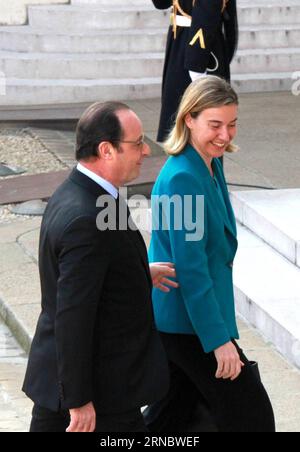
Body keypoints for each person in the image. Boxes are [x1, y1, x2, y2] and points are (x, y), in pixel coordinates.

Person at [22, 101, 179, 433]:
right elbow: (73, 313)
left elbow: (86, 276)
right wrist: (78, 401)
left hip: (99, 389)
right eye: (137, 143)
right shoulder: (87, 217)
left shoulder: (79, 192)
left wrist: (135, 275)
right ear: (107, 150)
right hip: (93, 398)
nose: (147, 151)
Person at [144, 76, 276, 432]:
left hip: (188, 318)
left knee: (169, 418)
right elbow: (192, 270)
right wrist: (218, 340)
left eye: (232, 125)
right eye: (215, 125)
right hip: (187, 322)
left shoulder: (210, 162)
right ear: (189, 119)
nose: (225, 135)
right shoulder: (183, 178)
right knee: (252, 414)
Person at [152, 0, 238, 142]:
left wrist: (196, 62)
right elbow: (161, 3)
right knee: (180, 124)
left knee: (202, 124)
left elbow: (207, 8)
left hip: (199, 46)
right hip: (181, 40)